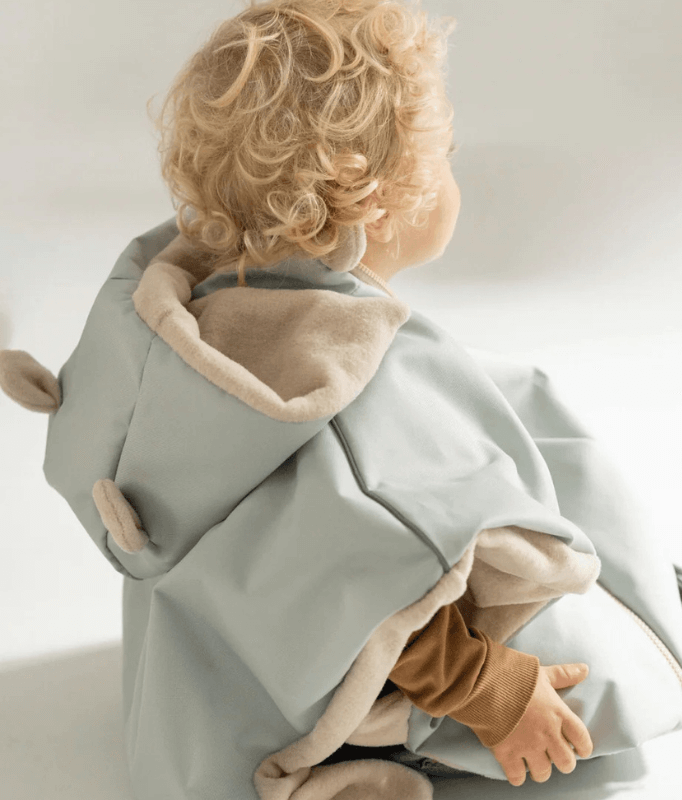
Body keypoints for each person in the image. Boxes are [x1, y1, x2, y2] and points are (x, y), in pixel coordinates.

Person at [142, 0, 597, 788]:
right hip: (337, 695)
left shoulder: (219, 305)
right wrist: (488, 687)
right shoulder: (338, 402)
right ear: (374, 200)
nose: (455, 168)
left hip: (219, 643)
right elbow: (356, 575)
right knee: (594, 693)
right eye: (445, 154)